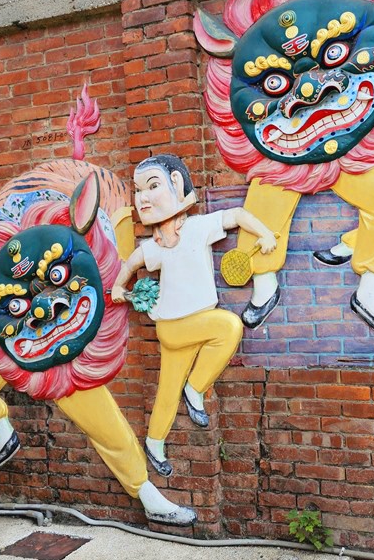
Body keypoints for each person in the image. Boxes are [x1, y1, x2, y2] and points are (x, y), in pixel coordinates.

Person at [111, 154, 276, 477]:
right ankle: (196, 389)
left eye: (152, 186)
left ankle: (155, 443)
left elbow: (238, 214)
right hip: (173, 325)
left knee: (167, 391)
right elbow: (130, 264)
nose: (142, 197)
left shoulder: (198, 228)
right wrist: (119, 286)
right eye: (138, 190)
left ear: (176, 184)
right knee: (228, 327)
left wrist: (265, 233)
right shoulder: (154, 246)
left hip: (190, 324)